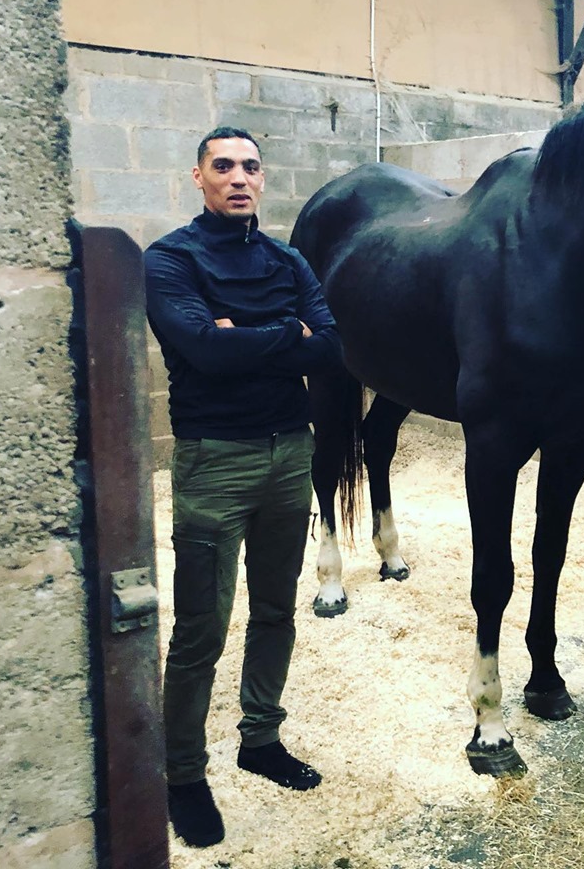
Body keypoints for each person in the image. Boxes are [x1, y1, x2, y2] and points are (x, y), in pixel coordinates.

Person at [145, 126, 341, 848]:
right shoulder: (170, 259)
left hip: (290, 455)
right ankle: (183, 776)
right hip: (213, 461)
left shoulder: (286, 258)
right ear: (197, 176)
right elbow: (201, 348)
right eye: (222, 165)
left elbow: (335, 348)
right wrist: (285, 337)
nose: (238, 177)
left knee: (275, 613)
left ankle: (259, 741)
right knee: (200, 628)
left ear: (264, 179)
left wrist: (245, 334)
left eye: (250, 167)